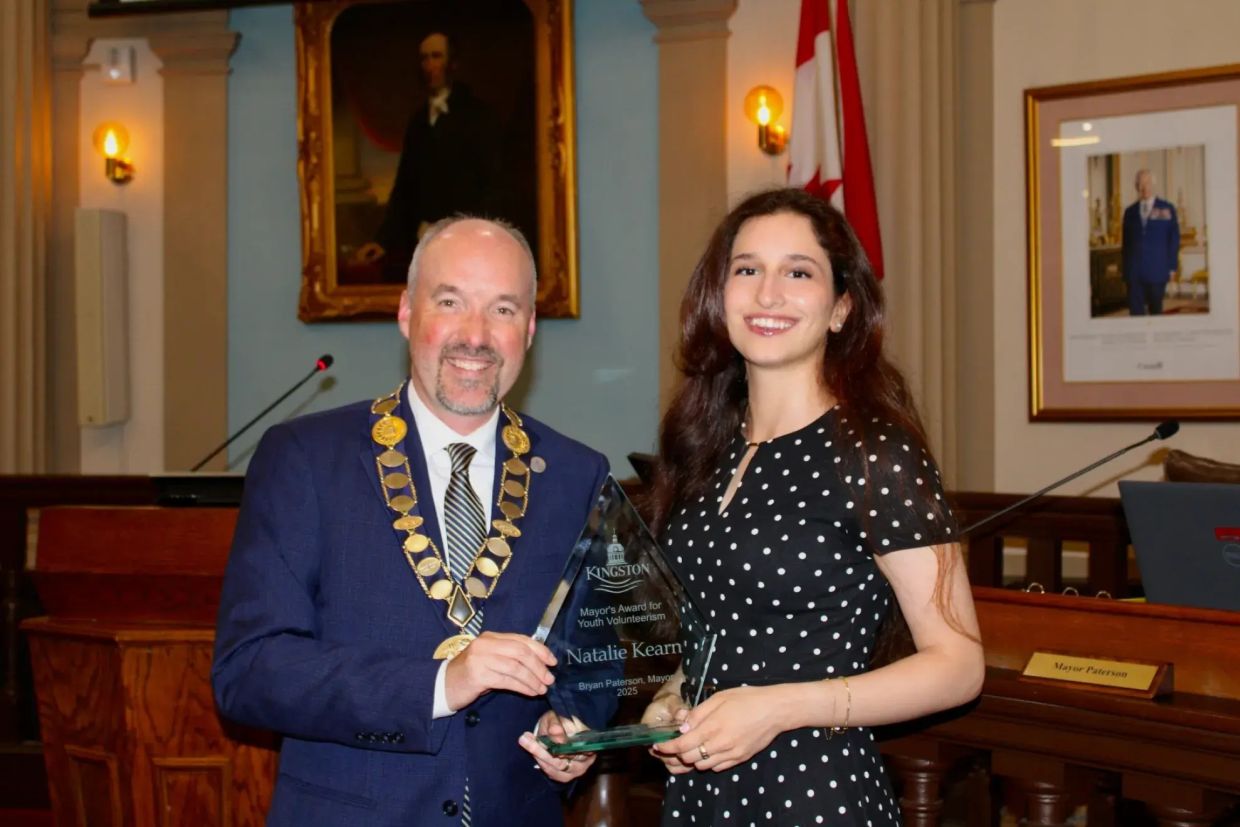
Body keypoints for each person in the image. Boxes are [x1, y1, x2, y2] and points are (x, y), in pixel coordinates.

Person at [212, 216, 607, 826]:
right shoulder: (307, 458)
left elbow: (594, 659)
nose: (475, 336)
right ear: (406, 313)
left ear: (528, 330)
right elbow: (250, 670)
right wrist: (439, 685)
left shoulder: (577, 474)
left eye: (503, 310)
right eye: (451, 302)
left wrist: (575, 728)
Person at [640, 188, 984, 825]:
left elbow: (959, 666)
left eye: (798, 272)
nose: (768, 293)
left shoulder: (876, 454)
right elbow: (724, 622)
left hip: (816, 792)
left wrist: (779, 707)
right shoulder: (702, 444)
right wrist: (674, 695)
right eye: (747, 270)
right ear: (720, 297)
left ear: (840, 309)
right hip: (700, 796)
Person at [355, 32, 505, 282]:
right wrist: (383, 240)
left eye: (436, 56)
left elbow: (493, 188)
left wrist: (463, 234)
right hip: (424, 247)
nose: (429, 65)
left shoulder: (480, 117)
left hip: (467, 248)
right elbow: (404, 187)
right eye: (424, 58)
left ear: (453, 64)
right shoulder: (417, 122)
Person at [1121, 169, 1180, 315]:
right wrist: (1125, 270)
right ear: (1136, 186)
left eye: (1147, 182)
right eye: (1140, 183)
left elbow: (1173, 240)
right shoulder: (1130, 212)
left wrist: (1172, 267)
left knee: (1155, 313)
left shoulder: (1166, 208)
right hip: (1134, 273)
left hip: (1157, 271)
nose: (1144, 186)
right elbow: (1126, 244)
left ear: (1153, 185)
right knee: (1135, 314)